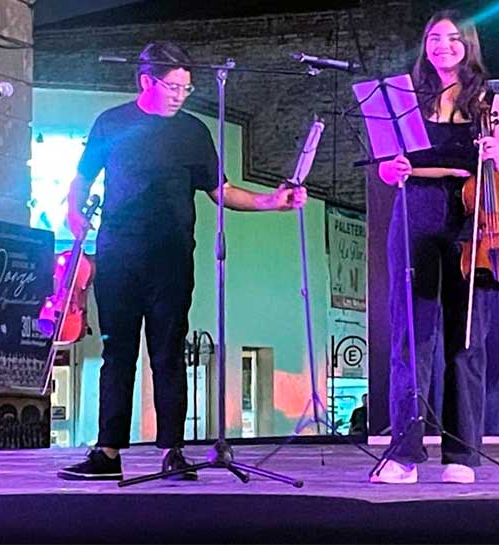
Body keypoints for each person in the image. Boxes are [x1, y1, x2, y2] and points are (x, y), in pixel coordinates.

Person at [58, 42, 307, 481]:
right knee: (118, 352)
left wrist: (271, 202)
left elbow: (221, 191)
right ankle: (107, 452)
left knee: (169, 351)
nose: (179, 95)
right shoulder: (111, 123)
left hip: (172, 258)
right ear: (146, 81)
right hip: (118, 253)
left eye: (186, 88)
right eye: (172, 86)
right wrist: (75, 212)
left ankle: (173, 450)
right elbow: (82, 178)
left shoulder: (193, 132)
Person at [372, 11, 499, 485]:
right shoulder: (404, 101)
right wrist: (392, 170)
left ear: (468, 45)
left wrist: (493, 160)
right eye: (434, 38)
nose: (443, 46)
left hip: (472, 216)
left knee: (465, 338)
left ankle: (462, 455)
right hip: (415, 211)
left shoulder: (490, 103)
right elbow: (387, 166)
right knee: (411, 337)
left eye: (453, 38)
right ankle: (404, 454)